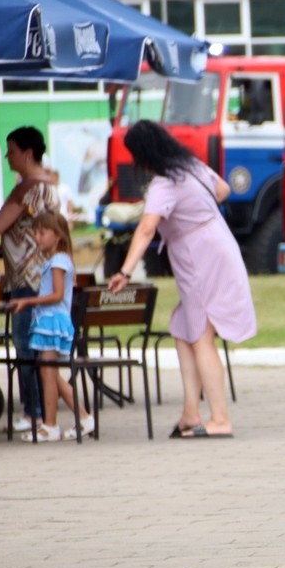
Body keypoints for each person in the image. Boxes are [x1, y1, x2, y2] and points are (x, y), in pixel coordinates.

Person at [107, 120, 257, 439]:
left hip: (199, 256)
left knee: (201, 332)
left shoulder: (164, 183)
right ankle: (191, 412)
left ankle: (219, 418)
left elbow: (147, 229)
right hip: (216, 244)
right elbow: (223, 190)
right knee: (184, 328)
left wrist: (124, 272)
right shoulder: (190, 166)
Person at [0, 126, 60, 433]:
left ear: (28, 153)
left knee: (24, 343)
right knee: (36, 343)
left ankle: (32, 412)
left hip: (26, 278)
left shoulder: (27, 188)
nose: (8, 156)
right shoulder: (50, 185)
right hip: (43, 274)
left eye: (12, 150)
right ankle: (40, 411)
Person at [7, 212, 94, 442]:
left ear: (57, 236)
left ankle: (51, 425)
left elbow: (56, 295)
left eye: (42, 232)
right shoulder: (56, 260)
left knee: (48, 374)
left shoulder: (58, 261)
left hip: (51, 321)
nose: (37, 237)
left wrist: (28, 301)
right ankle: (83, 418)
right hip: (47, 320)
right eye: (35, 232)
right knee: (51, 374)